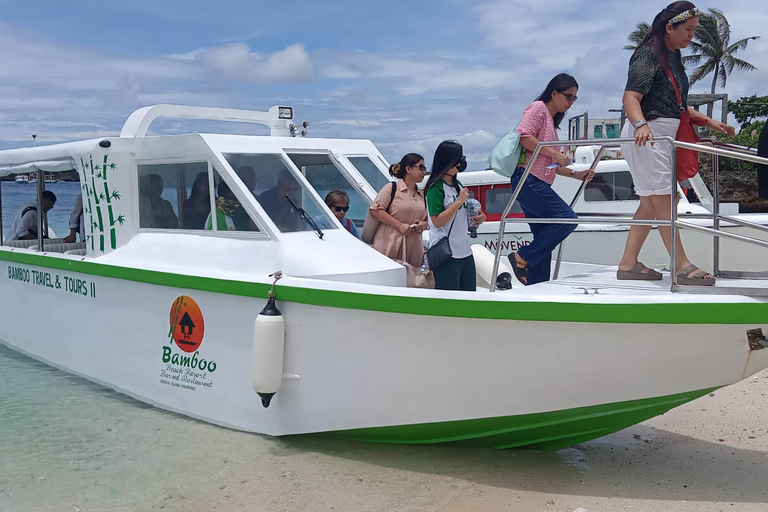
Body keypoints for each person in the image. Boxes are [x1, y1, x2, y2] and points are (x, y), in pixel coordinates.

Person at [617, 1, 734, 285]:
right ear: (669, 27)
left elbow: (677, 106)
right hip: (648, 134)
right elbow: (631, 98)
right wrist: (641, 125)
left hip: (662, 134)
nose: (691, 37)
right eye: (688, 30)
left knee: (650, 202)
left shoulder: (672, 59)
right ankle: (681, 264)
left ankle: (628, 263)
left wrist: (710, 122)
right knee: (665, 199)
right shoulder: (648, 55)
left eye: (694, 31)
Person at [507, 73, 594, 285]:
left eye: (575, 98)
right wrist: (554, 153)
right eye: (568, 96)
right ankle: (521, 257)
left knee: (543, 239)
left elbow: (548, 166)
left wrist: (575, 174)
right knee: (566, 220)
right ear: (554, 93)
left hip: (535, 180)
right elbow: (524, 136)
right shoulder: (537, 109)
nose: (571, 103)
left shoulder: (551, 121)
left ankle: (538, 286)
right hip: (528, 180)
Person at [425, 141, 485, 291]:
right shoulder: (435, 188)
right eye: (458, 159)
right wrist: (458, 202)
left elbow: (460, 216)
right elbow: (437, 221)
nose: (461, 163)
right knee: (450, 297)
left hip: (464, 251)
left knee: (470, 295)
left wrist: (480, 219)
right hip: (446, 252)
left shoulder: (457, 184)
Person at [369, 153, 429, 267]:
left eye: (424, 168)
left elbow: (428, 219)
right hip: (389, 242)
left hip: (414, 247)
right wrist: (399, 225)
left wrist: (424, 225)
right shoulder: (392, 188)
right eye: (421, 167)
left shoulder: (422, 195)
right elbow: (375, 210)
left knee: (411, 280)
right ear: (408, 169)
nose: (424, 172)